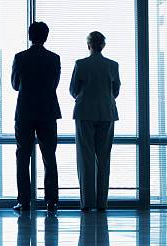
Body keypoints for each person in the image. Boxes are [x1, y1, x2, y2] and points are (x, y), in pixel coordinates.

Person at [12, 22, 61, 212]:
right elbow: (54, 84)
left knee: (23, 157)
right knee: (49, 156)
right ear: (46, 37)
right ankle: (51, 201)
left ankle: (24, 201)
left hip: (25, 111)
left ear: (30, 36)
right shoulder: (54, 58)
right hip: (48, 111)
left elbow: (15, 85)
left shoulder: (20, 57)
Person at [70, 31, 121, 212]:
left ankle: (88, 202)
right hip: (107, 112)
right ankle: (102, 202)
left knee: (86, 158)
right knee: (104, 158)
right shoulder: (112, 65)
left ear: (88, 45)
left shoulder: (81, 64)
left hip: (85, 112)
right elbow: (115, 91)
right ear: (103, 45)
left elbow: (73, 90)